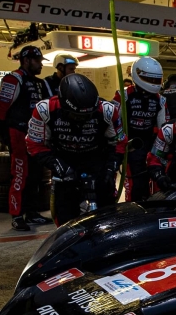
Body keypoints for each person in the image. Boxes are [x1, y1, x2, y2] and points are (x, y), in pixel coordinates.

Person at [25, 73, 125, 225]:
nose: (83, 120)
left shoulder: (108, 110)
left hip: (97, 159)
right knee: (65, 213)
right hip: (64, 161)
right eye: (78, 116)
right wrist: (57, 165)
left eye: (88, 115)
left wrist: (111, 168)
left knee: (107, 210)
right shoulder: (44, 110)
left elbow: (119, 143)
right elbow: (34, 144)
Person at [0, 45, 53, 232]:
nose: (40, 65)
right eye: (37, 61)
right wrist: (6, 136)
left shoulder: (40, 83)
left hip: (36, 138)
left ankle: (32, 212)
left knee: (35, 176)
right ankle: (17, 215)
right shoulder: (14, 79)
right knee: (20, 175)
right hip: (17, 135)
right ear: (26, 60)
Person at [122, 56, 163, 203]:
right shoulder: (123, 95)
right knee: (135, 184)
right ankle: (132, 208)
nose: (153, 83)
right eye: (150, 79)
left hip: (151, 146)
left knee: (156, 181)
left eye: (156, 80)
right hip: (130, 146)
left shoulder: (160, 99)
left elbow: (163, 128)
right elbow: (115, 124)